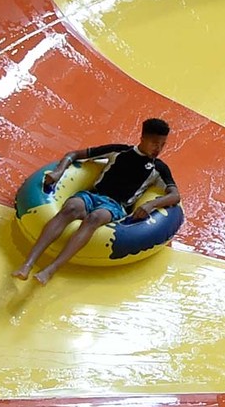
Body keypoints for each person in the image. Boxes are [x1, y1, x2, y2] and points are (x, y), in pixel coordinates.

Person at [13, 118, 181, 285]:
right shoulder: (119, 151)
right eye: (154, 143)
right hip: (92, 195)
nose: (158, 149)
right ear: (142, 138)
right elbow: (73, 154)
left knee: (95, 217)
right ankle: (28, 263)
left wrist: (151, 204)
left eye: (162, 145)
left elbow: (175, 195)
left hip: (115, 205)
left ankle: (51, 269)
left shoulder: (159, 168)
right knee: (70, 207)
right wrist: (59, 171)